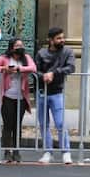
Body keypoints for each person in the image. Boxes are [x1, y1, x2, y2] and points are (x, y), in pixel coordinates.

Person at [0, 38, 36, 164]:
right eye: (17, 45)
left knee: (17, 125)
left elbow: (33, 68)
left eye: (21, 45)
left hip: (21, 97)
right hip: (7, 96)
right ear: (11, 47)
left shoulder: (25, 58)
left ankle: (17, 151)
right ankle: (7, 152)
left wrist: (20, 69)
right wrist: (4, 69)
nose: (20, 47)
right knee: (8, 125)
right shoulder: (5, 58)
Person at [35, 27, 76, 164]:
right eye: (58, 38)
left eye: (62, 37)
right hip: (42, 92)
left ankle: (66, 152)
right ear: (50, 40)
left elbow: (71, 67)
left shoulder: (67, 52)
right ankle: (48, 151)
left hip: (57, 92)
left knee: (60, 123)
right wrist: (44, 76)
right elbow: (35, 71)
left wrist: (54, 73)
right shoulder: (41, 53)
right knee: (43, 124)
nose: (62, 40)